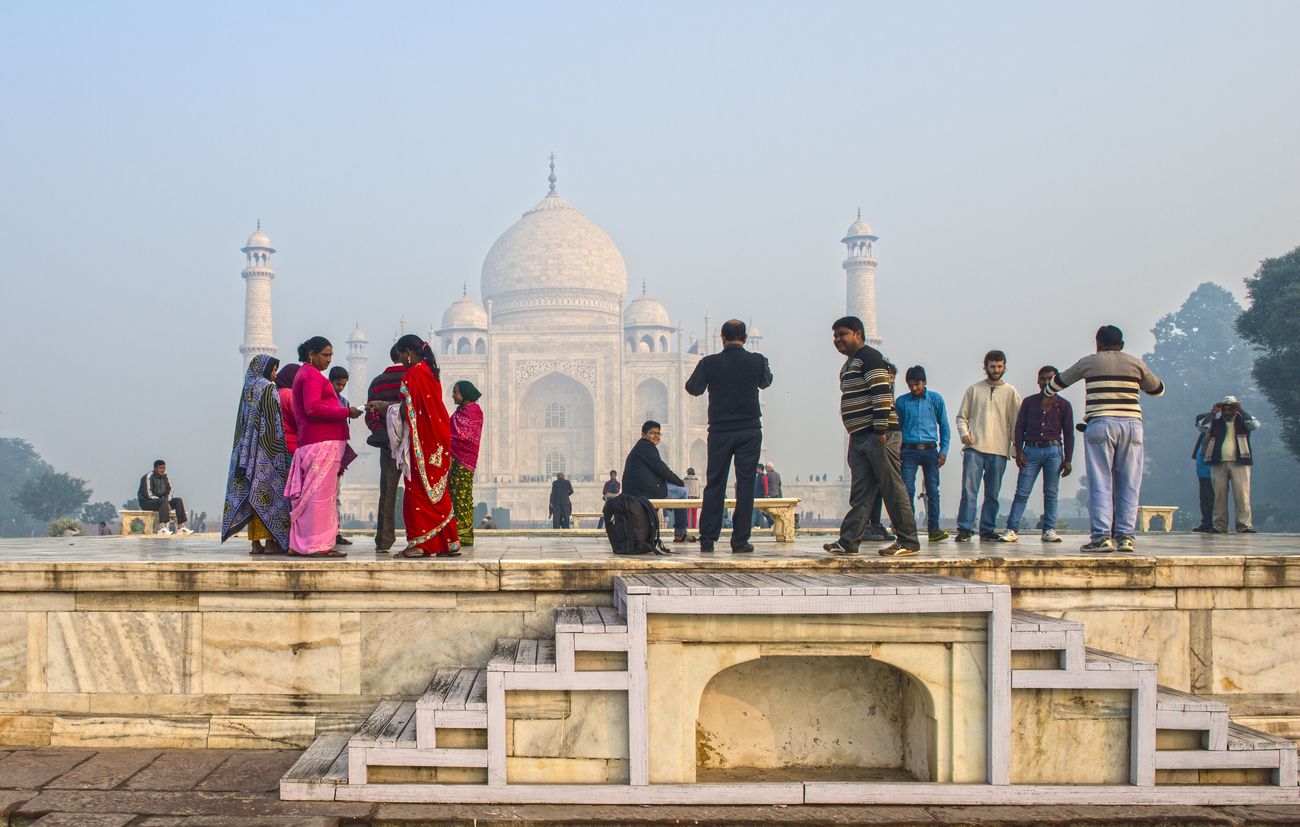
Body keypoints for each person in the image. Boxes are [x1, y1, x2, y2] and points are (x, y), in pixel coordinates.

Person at [1044, 325, 1164, 552]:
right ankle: (1126, 536)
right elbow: (1158, 389)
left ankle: (1101, 537)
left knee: (1101, 482)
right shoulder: (1135, 363)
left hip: (1101, 423)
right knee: (1129, 483)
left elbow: (1056, 384)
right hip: (1132, 425)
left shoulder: (1089, 362)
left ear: (1098, 343)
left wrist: (1048, 393)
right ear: (1122, 345)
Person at [823, 316, 920, 556]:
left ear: (858, 334)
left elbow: (881, 394)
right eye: (835, 336)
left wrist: (879, 430)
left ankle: (908, 540)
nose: (837, 340)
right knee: (862, 492)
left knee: (892, 488)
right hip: (860, 436)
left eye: (842, 334)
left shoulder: (871, 358)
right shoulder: (850, 365)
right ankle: (848, 541)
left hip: (879, 435)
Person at [685, 319, 773, 553]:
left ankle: (708, 538)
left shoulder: (710, 363)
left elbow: (693, 388)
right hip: (749, 430)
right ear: (744, 339)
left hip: (721, 431)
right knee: (745, 485)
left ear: (722, 338)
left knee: (715, 483)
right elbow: (766, 382)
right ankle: (740, 540)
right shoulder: (757, 361)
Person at [376, 334, 461, 557]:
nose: (401, 361)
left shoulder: (414, 373)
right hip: (438, 440)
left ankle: (420, 545)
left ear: (409, 353)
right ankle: (449, 542)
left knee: (417, 493)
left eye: (402, 355)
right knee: (438, 492)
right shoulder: (431, 372)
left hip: (422, 441)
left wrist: (386, 408)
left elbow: (409, 410)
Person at [285, 336, 363, 557]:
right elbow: (312, 407)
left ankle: (302, 543)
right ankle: (316, 545)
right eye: (325, 355)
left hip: (317, 441)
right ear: (312, 354)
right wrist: (346, 412)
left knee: (313, 497)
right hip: (319, 442)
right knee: (319, 498)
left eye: (331, 355)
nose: (329, 360)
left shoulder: (309, 374)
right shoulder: (310, 375)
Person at [221, 354, 292, 555]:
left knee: (253, 496)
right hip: (267, 451)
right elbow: (272, 421)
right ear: (264, 369)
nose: (275, 375)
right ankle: (271, 543)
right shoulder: (268, 388)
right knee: (268, 496)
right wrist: (278, 450)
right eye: (273, 369)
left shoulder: (248, 389)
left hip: (247, 452)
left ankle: (255, 544)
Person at [999, 366, 1075, 544]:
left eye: (1050, 379)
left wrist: (1068, 459)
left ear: (1057, 381)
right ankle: (1012, 529)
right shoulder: (1029, 402)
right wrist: (1019, 451)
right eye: (1043, 379)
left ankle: (1049, 529)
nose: (1046, 382)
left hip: (1053, 450)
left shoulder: (1063, 405)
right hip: (1031, 449)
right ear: (1038, 381)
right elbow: (1019, 427)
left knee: (1051, 493)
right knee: (1022, 493)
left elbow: (1069, 433)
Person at [954, 350, 1021, 542]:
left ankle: (987, 529)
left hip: (999, 450)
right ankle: (965, 529)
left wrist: (1016, 449)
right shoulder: (974, 390)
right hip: (974, 448)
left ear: (1004, 367)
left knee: (992, 494)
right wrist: (964, 434)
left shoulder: (1011, 392)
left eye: (999, 366)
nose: (996, 370)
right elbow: (961, 417)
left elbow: (1016, 423)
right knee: (969, 491)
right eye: (992, 366)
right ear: (985, 368)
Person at [894, 365, 951, 542]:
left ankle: (934, 529)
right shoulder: (902, 402)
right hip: (909, 450)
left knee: (933, 490)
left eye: (917, 384)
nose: (914, 388)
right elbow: (897, 428)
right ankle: (908, 529)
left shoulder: (935, 400)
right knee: (907, 490)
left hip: (930, 450)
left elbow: (945, 426)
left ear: (924, 382)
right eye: (911, 385)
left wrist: (944, 450)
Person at [365, 347, 408, 551]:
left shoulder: (378, 381)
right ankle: (420, 537)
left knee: (388, 491)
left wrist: (382, 433)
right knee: (418, 491)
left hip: (388, 445)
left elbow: (370, 414)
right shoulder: (412, 377)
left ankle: (383, 540)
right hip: (412, 443)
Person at [1199, 395, 1260, 535]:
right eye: (1224, 409)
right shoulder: (1215, 421)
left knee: (1242, 495)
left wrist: (1242, 411)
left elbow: (1255, 425)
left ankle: (1244, 526)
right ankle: (1219, 526)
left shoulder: (1243, 421)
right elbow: (1202, 427)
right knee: (1219, 496)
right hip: (1218, 462)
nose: (1227, 412)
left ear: (1235, 409)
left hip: (1240, 462)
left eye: (1230, 409)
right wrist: (1213, 412)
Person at [621, 420, 690, 542]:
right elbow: (661, 469)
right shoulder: (646, 446)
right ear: (643, 434)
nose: (656, 436)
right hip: (644, 491)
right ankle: (681, 532)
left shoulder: (640, 447)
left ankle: (677, 531)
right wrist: (680, 482)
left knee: (669, 492)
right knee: (683, 492)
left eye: (658, 433)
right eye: (652, 433)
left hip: (637, 490)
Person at [449, 380, 484, 546]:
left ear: (465, 394)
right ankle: (460, 532)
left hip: (465, 460)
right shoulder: (461, 411)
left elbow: (465, 436)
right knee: (456, 495)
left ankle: (464, 534)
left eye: (455, 392)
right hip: (456, 460)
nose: (453, 395)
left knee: (462, 496)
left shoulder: (473, 411)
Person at [138, 460, 193, 535]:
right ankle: (161, 528)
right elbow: (148, 494)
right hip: (147, 502)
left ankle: (181, 527)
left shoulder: (166, 477)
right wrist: (165, 502)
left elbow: (170, 490)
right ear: (155, 468)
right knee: (163, 501)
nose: (162, 470)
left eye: (164, 468)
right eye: (160, 468)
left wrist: (167, 501)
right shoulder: (148, 477)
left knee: (178, 500)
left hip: (162, 502)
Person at [1191, 413, 1215, 533]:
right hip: (1201, 471)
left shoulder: (1213, 434)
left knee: (1212, 499)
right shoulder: (1203, 435)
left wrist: (1212, 413)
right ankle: (1205, 522)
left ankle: (1213, 523)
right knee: (1204, 499)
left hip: (1211, 471)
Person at [275, 364, 300, 454]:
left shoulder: (275, 393)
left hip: (277, 445)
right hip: (293, 446)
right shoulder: (291, 395)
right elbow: (300, 422)